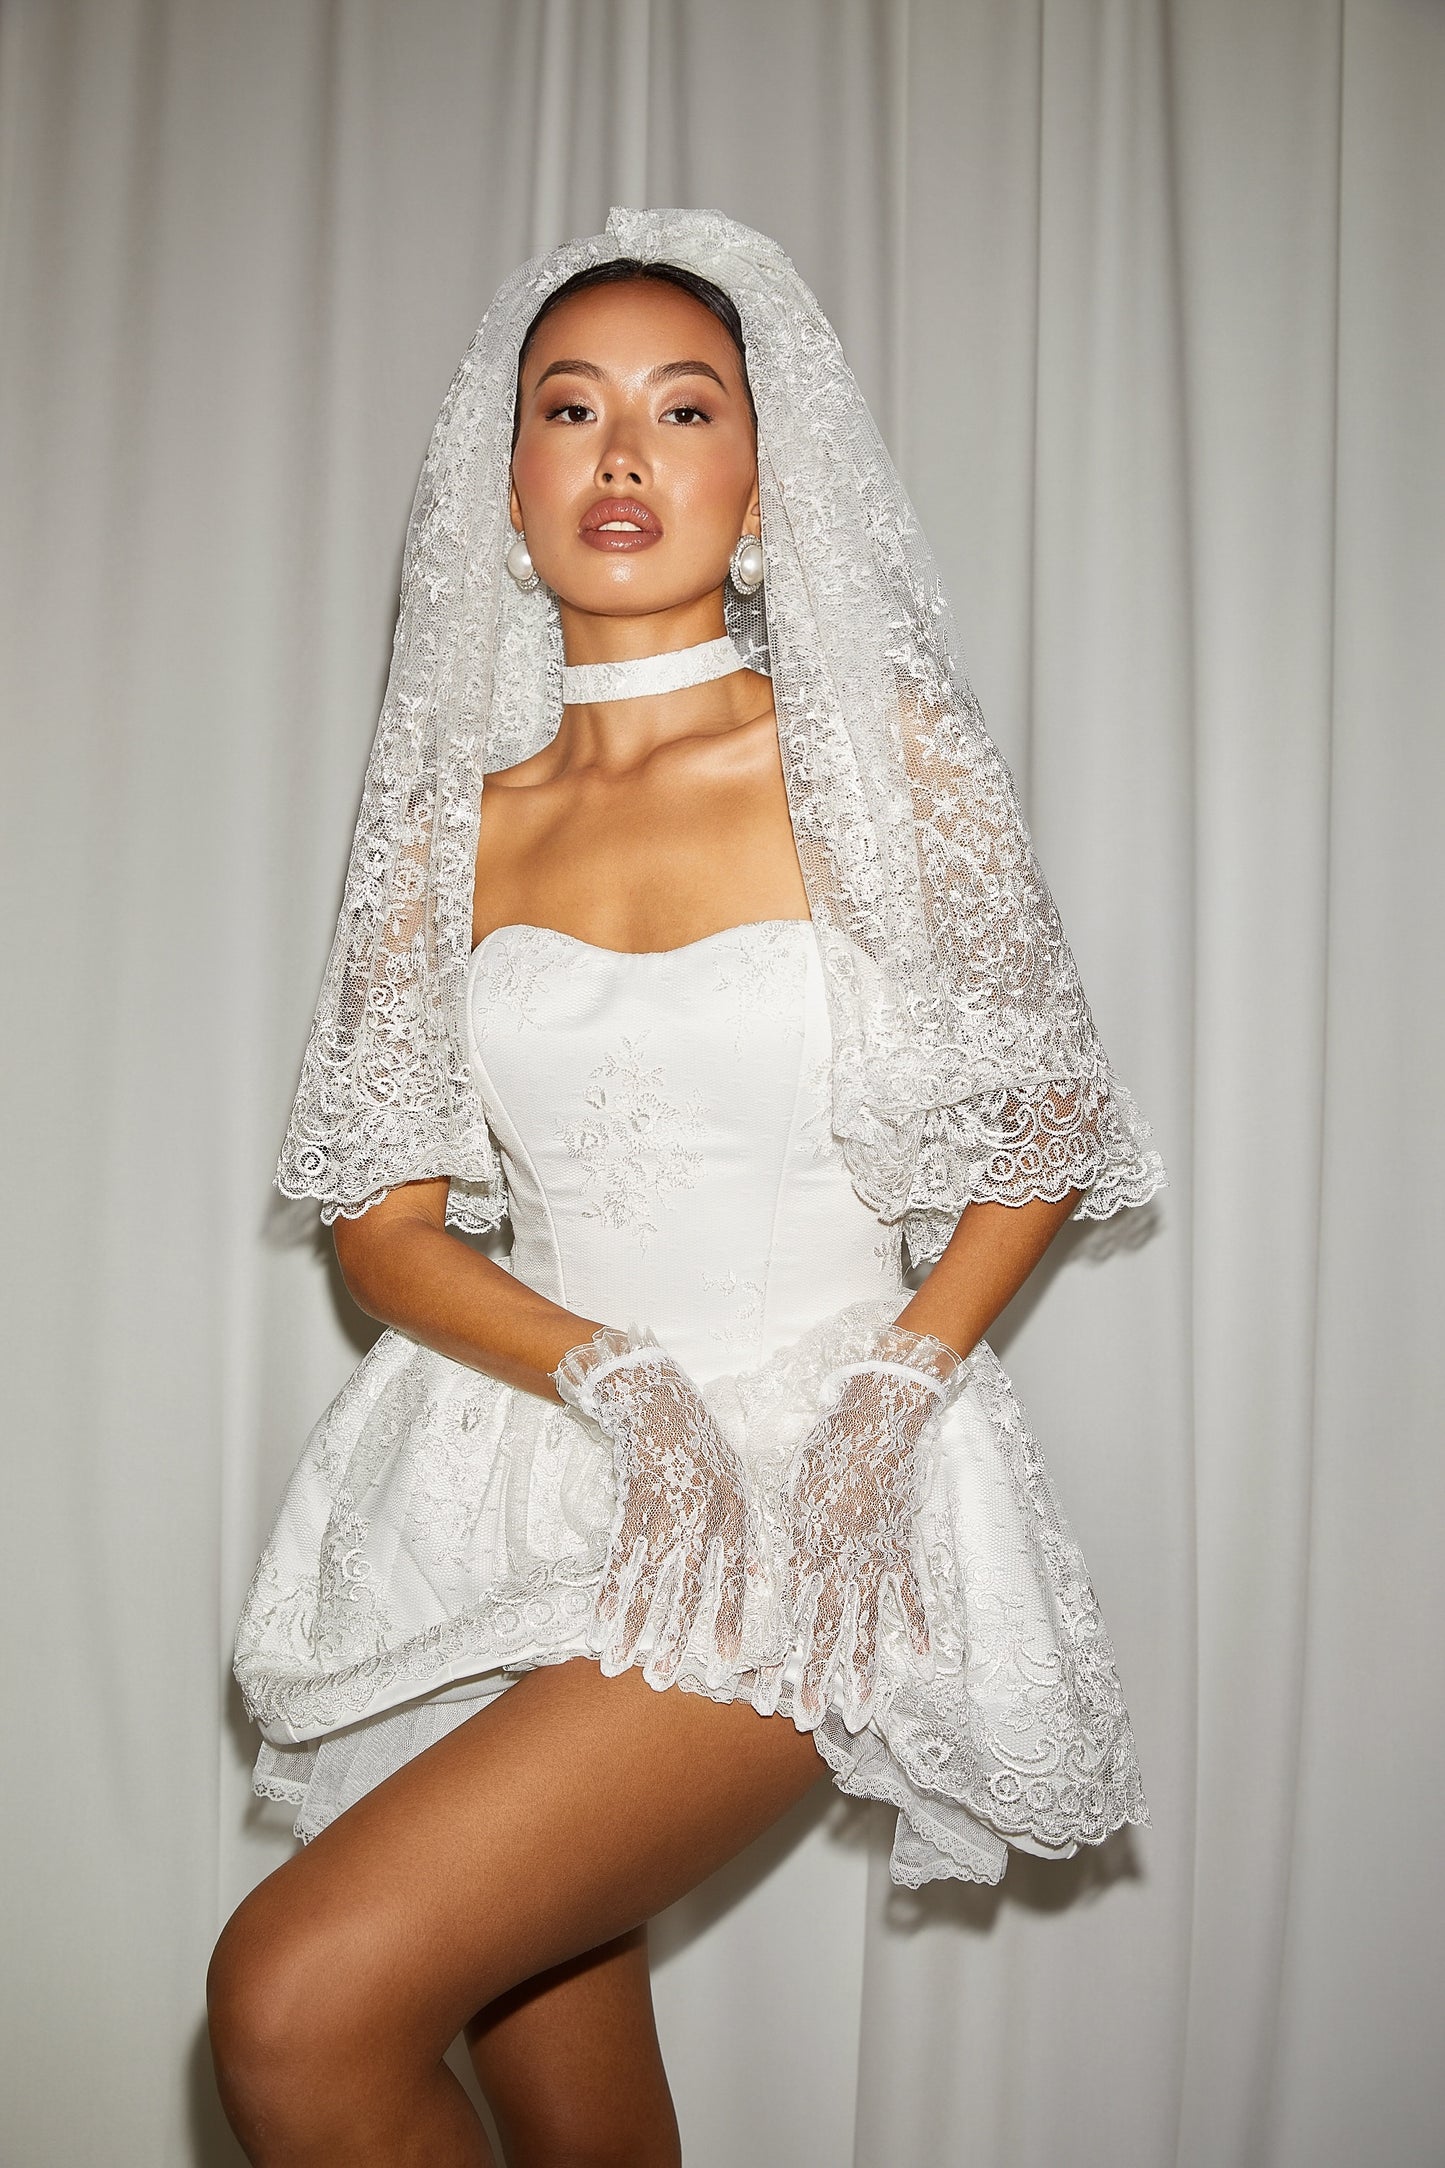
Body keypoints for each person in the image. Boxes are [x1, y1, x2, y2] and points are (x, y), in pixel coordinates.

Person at [208, 207, 1165, 2166]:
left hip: (804, 1489)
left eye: (683, 406)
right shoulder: (448, 834)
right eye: (571, 410)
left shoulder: (877, 765)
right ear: (507, 490)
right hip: (522, 1477)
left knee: (295, 1997)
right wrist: (610, 1378)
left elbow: (1042, 1119)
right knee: (578, 2117)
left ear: (761, 476)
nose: (622, 453)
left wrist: (893, 1390)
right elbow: (385, 1224)